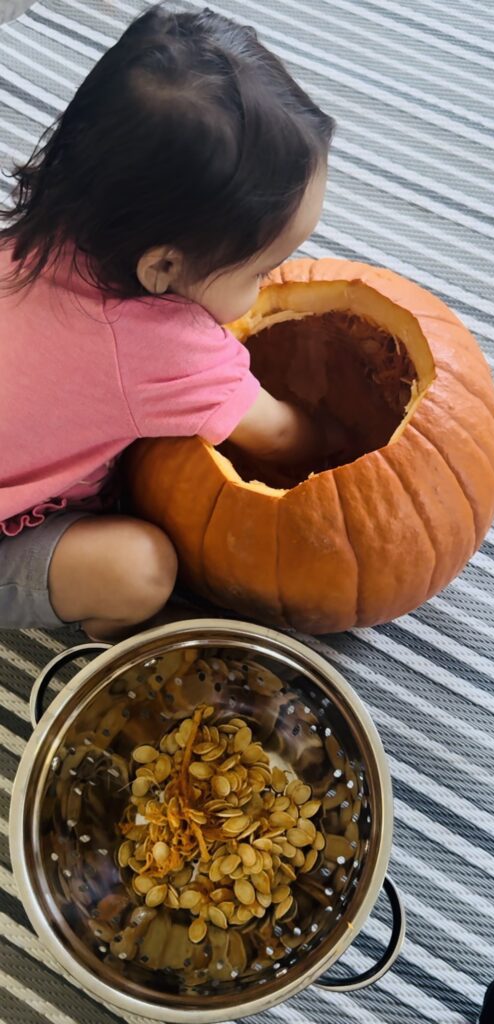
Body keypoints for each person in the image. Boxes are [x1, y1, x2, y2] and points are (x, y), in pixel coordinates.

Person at [0, 4, 340, 640]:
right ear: (162, 266)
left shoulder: (48, 229)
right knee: (141, 569)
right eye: (262, 270)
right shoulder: (160, 348)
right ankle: (103, 629)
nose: (271, 284)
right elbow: (284, 438)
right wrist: (332, 429)